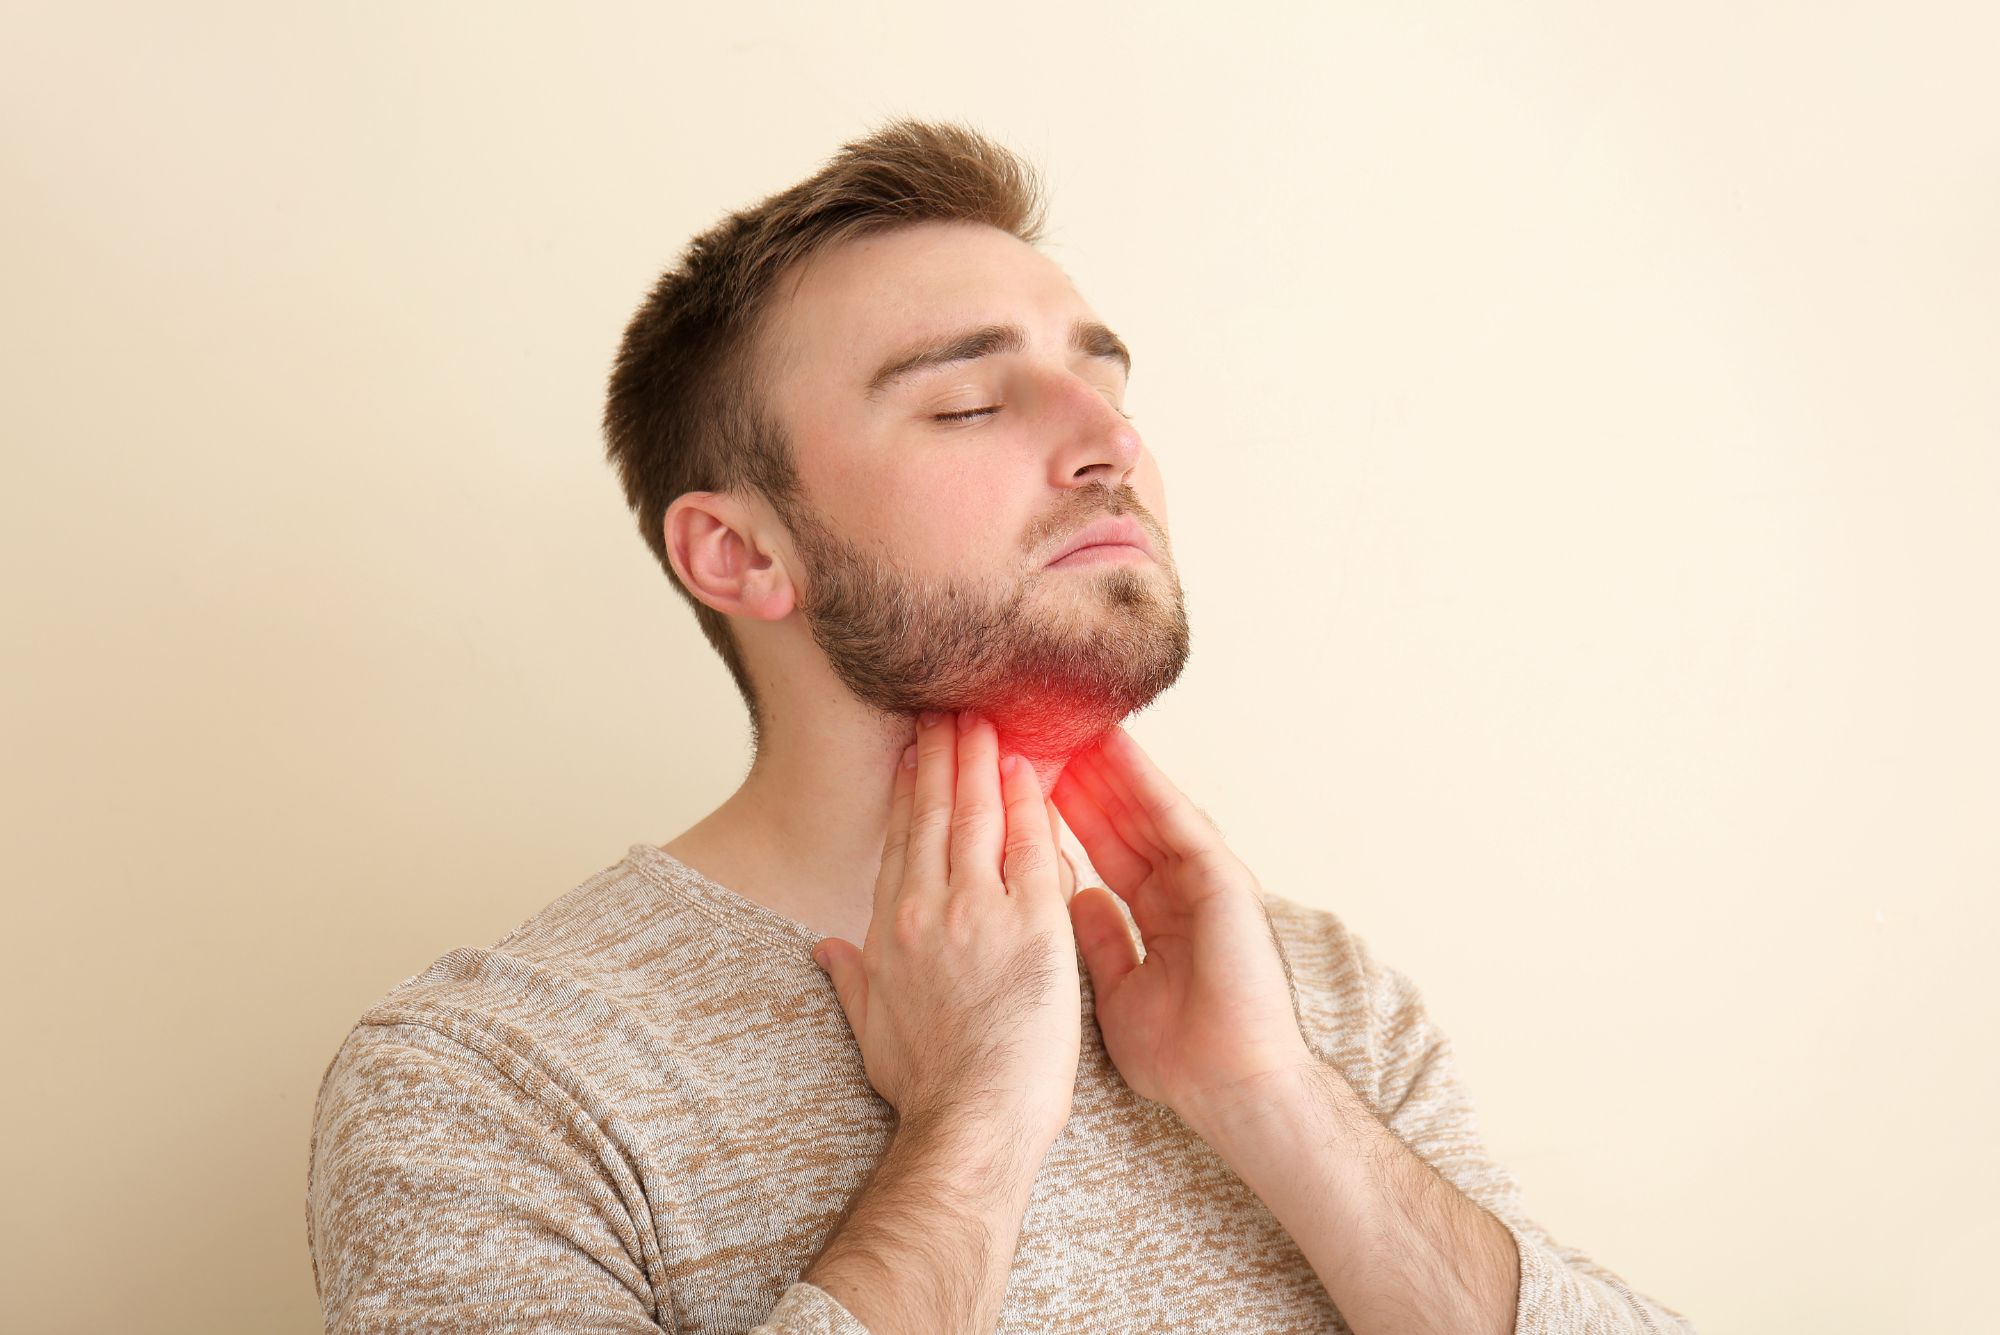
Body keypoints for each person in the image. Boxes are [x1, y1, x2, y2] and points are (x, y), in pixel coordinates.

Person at [307, 121, 1694, 1335]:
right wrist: (969, 1133)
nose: (1109, 442)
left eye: (1111, 386)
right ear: (739, 553)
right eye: (968, 400)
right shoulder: (492, 1082)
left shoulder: (1306, 993)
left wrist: (1272, 1097)